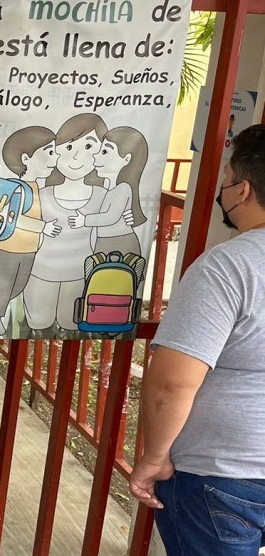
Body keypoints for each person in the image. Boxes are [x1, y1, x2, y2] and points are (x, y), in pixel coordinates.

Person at [129, 125, 265, 556]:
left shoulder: (229, 266)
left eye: (227, 177)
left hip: (224, 477)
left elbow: (172, 383)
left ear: (242, 190)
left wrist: (154, 457)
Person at [23, 113, 109, 331]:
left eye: (89, 147)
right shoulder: (41, 194)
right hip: (41, 272)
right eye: (69, 147)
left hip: (79, 274)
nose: (77, 157)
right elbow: (19, 222)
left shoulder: (102, 196)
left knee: (70, 324)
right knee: (37, 323)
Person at [0, 126, 61, 336]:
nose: (55, 157)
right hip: (8, 247)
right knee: (3, 285)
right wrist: (44, 228)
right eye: (49, 152)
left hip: (29, 249)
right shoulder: (18, 188)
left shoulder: (37, 187)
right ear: (26, 158)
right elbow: (15, 218)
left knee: (18, 286)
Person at [71, 125, 149, 256]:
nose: (95, 155)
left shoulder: (123, 188)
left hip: (119, 243)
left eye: (104, 152)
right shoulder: (108, 190)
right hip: (104, 242)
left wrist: (84, 221)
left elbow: (111, 217)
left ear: (126, 159)